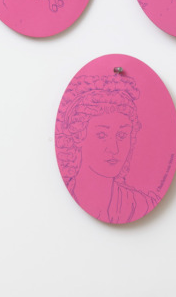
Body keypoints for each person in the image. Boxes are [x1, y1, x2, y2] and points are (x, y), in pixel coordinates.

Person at [55, 73, 158, 224]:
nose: (114, 149)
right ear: (78, 135)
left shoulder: (141, 205)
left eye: (122, 135)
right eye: (102, 135)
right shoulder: (58, 199)